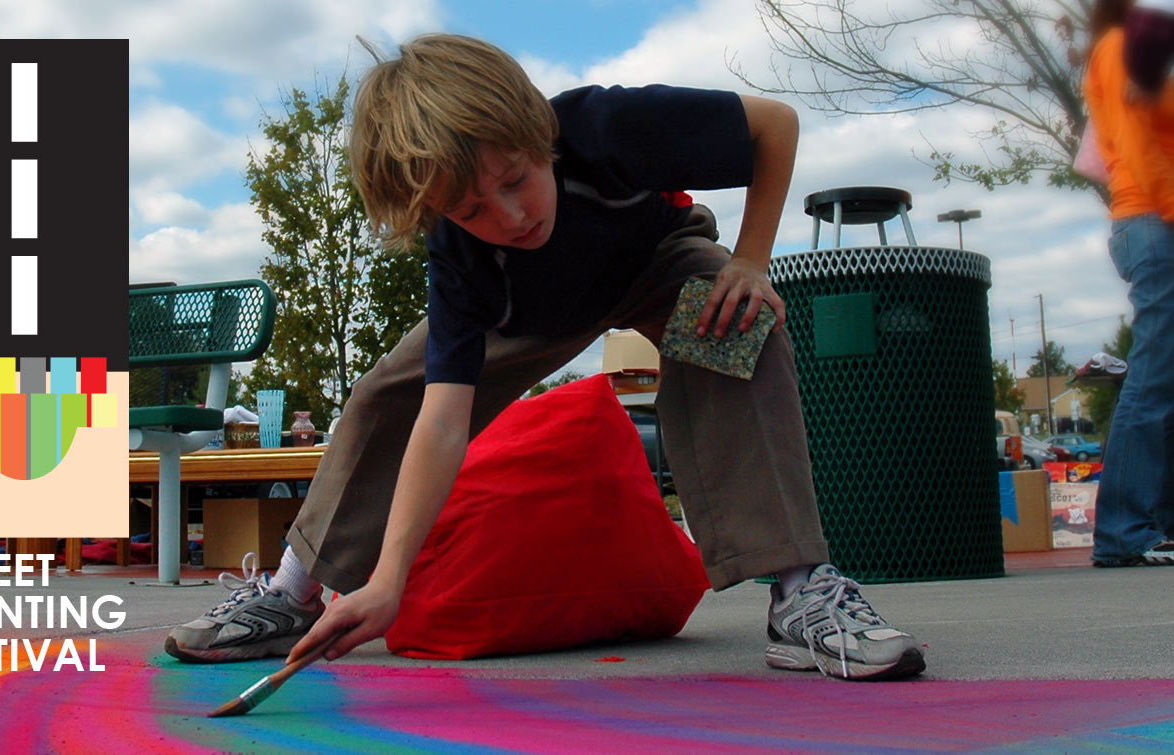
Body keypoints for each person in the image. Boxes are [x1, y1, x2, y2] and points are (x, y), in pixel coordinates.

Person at [165, 34, 925, 680]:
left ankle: (798, 590)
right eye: (471, 209)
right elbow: (439, 422)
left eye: (515, 180)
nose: (510, 215)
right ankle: (291, 592)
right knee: (386, 393)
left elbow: (774, 125)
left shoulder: (608, 124)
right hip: (527, 314)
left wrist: (751, 261)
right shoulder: (461, 256)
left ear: (538, 134)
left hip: (651, 262)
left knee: (732, 324)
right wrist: (389, 578)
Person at [1084, 0, 1174, 567]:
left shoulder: (1139, 55)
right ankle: (1124, 531)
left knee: (1165, 377)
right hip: (1152, 221)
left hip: (1151, 218)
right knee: (1155, 374)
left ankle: (1151, 525)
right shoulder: (1117, 51)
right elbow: (1137, 142)